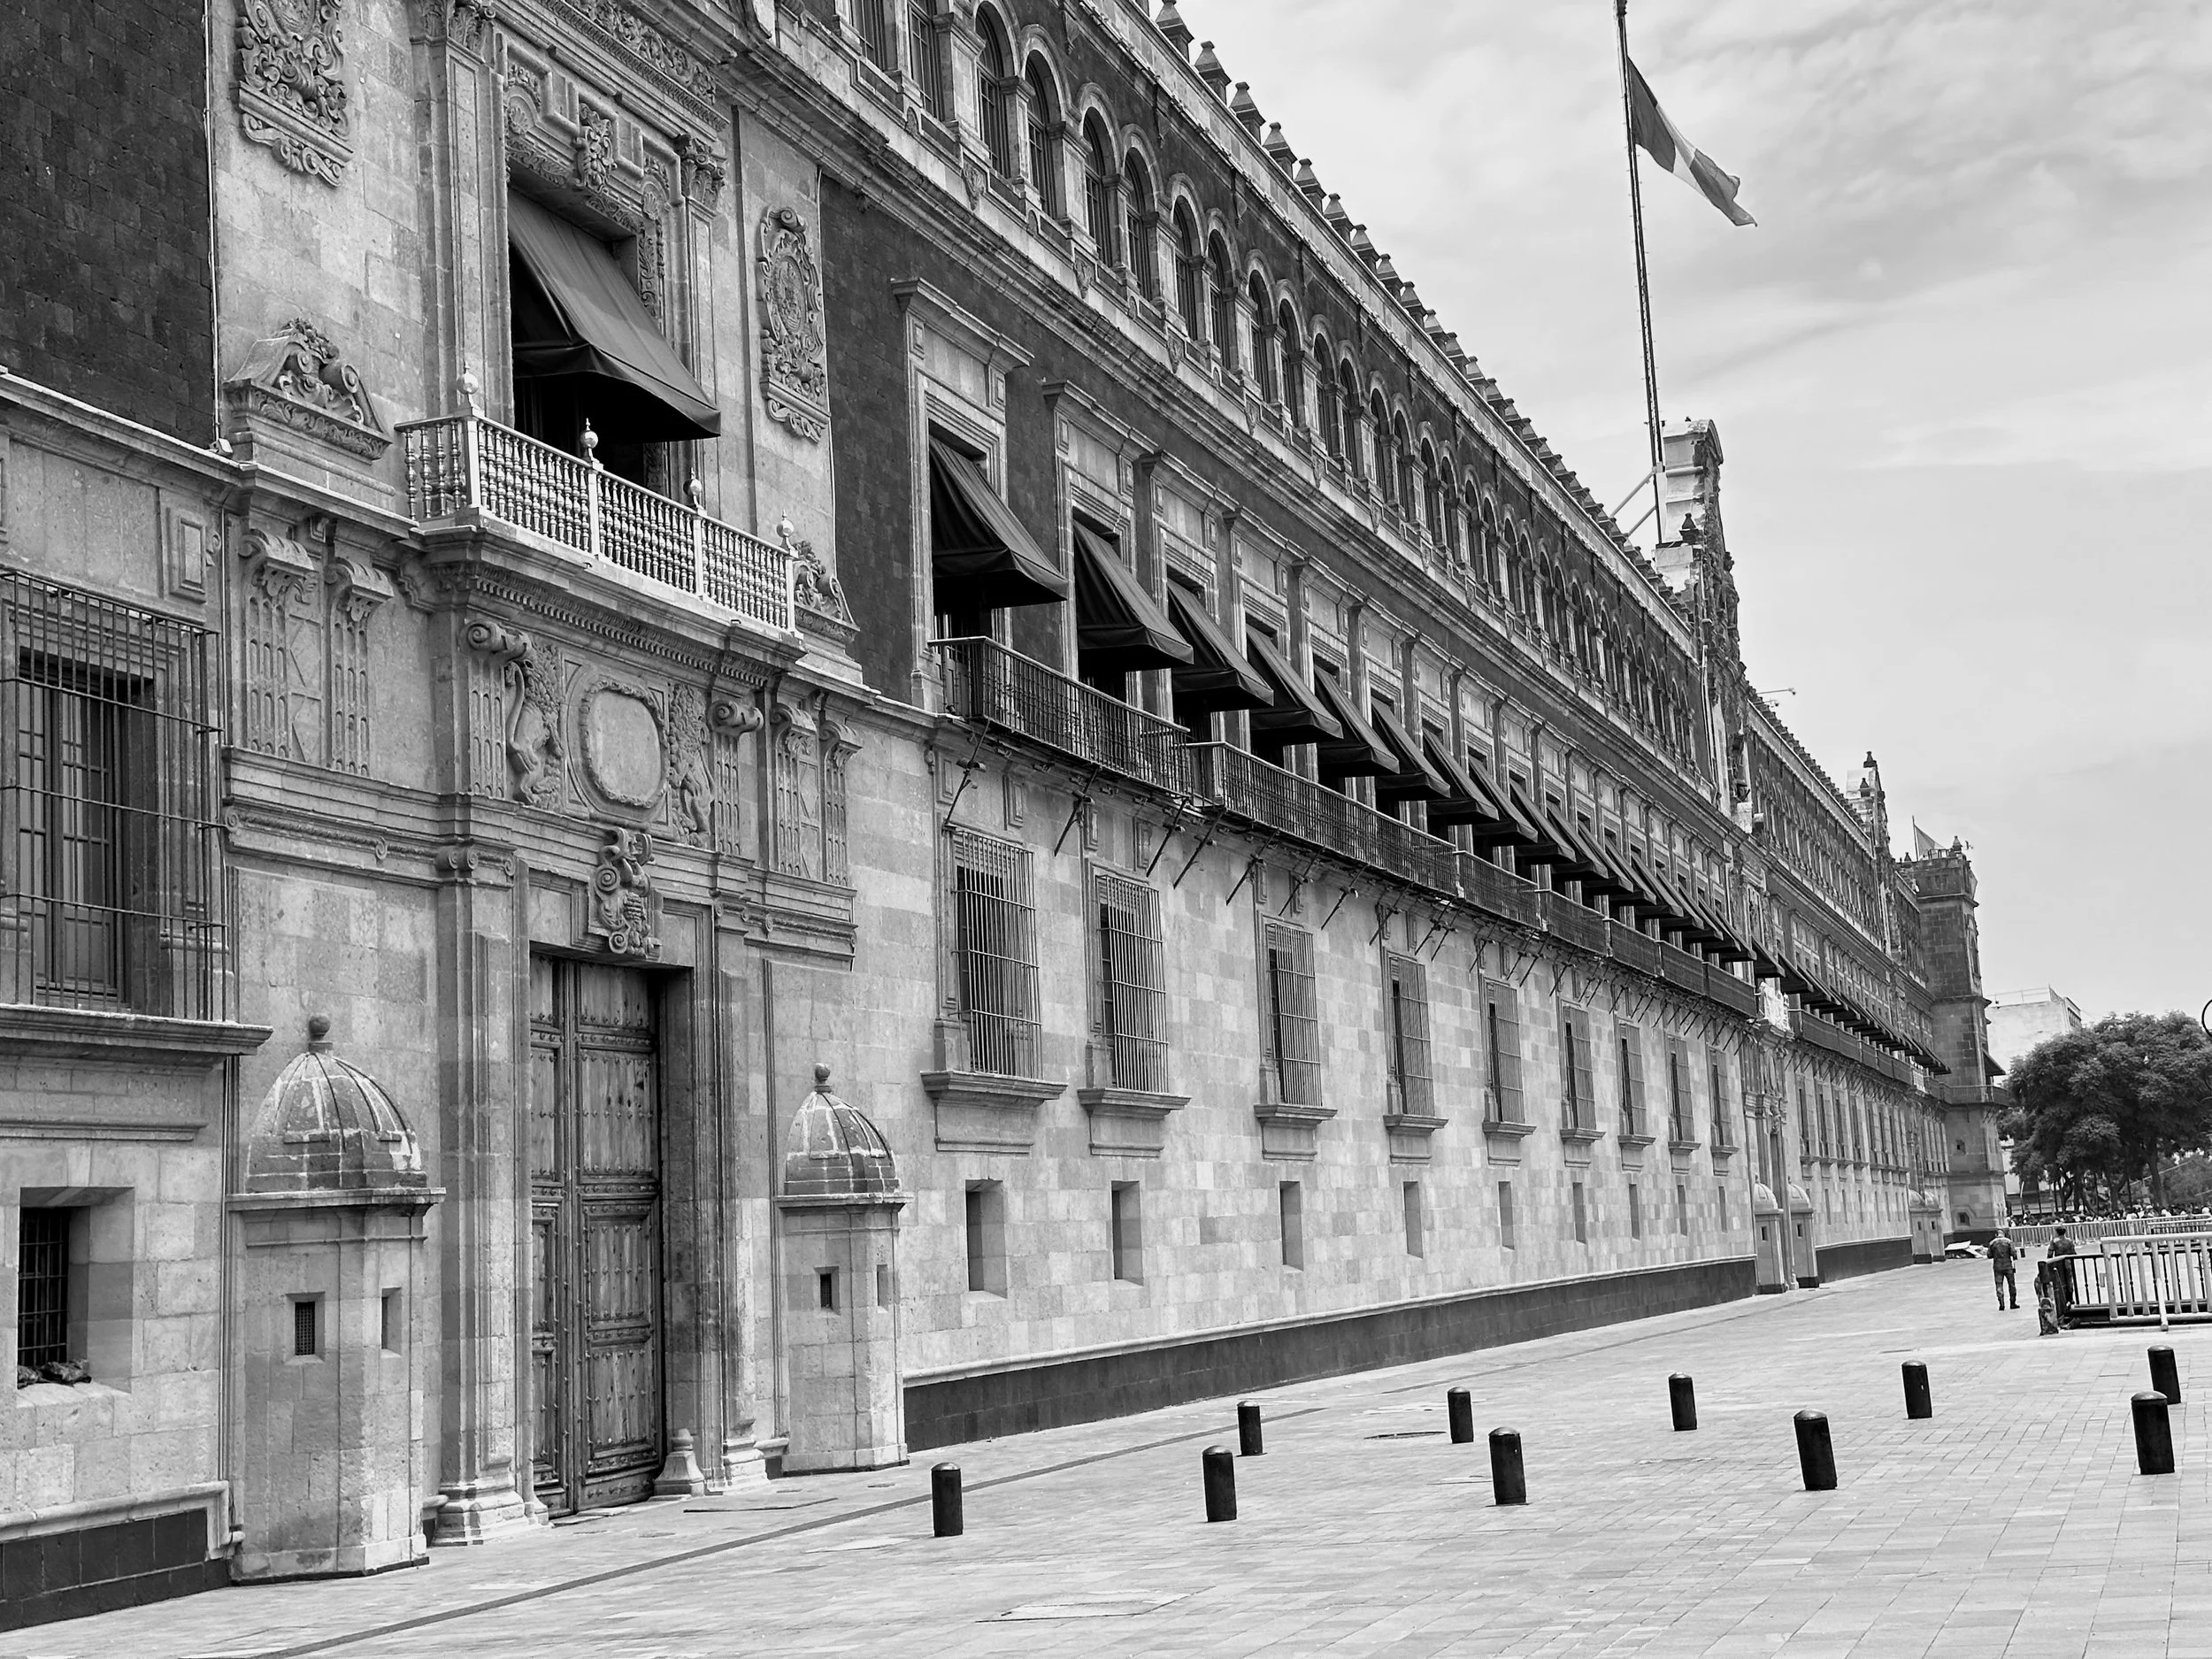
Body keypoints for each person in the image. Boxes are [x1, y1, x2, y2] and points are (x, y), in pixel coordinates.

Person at [2047, 1226, 2077, 1323]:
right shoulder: (2069, 1241)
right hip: (2068, 1262)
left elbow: (2050, 1253)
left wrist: (2049, 1263)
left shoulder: (2054, 1241)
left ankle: (2062, 1300)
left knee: (2060, 1282)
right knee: (2069, 1281)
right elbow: (2074, 1253)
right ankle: (2070, 1298)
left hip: (2058, 1263)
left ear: (2057, 1232)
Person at [1988, 1229, 2019, 1310]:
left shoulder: (1992, 1243)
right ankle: (2012, 1303)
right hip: (2008, 1266)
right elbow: (2013, 1254)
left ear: (1996, 1235)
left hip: (1997, 1267)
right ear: (2004, 1234)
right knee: (2011, 1285)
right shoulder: (2008, 1242)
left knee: (1999, 1285)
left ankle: (2001, 1303)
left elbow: (1989, 1255)